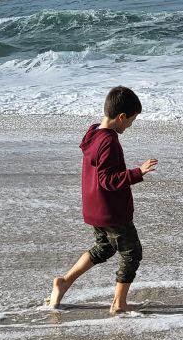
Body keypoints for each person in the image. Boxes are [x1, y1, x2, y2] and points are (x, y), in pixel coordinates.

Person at [47, 86, 158, 314]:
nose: (130, 125)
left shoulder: (94, 132)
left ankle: (64, 282)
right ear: (121, 117)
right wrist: (138, 172)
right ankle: (119, 303)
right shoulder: (109, 141)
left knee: (104, 248)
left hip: (95, 207)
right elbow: (107, 179)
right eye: (131, 120)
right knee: (131, 252)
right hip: (111, 210)